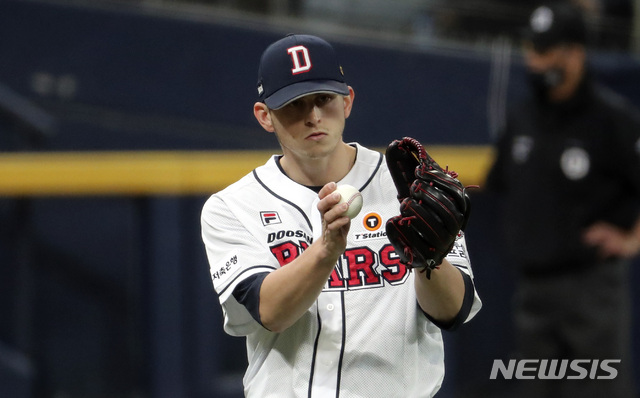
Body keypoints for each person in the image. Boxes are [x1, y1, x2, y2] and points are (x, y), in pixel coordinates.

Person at [201, 34, 481, 397]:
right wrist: (327, 250)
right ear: (264, 116)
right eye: (295, 104)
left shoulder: (407, 185)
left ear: (347, 101)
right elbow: (270, 312)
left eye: (323, 99)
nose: (313, 116)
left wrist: (430, 258)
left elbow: (453, 311)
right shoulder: (232, 206)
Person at [485, 3, 640, 397]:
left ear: (575, 54)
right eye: (531, 49)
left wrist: (632, 239)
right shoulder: (522, 119)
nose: (534, 61)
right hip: (532, 290)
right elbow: (496, 183)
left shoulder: (614, 120)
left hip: (591, 291)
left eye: (544, 51)